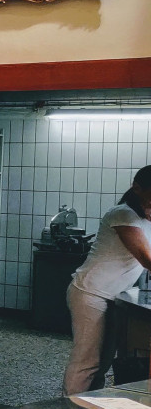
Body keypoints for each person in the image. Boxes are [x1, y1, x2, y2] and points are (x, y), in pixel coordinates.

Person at [63, 165, 151, 394]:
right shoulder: (122, 214)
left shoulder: (146, 216)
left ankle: (89, 407)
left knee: (103, 362)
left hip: (114, 297)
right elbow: (146, 259)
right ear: (137, 188)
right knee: (87, 361)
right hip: (90, 293)